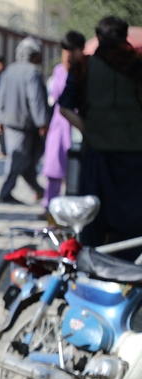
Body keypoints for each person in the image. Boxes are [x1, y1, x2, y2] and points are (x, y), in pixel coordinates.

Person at [60, 16, 142, 261]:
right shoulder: (138, 67)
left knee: (96, 218)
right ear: (125, 36)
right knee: (134, 217)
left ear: (99, 38)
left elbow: (64, 108)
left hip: (98, 156)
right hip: (136, 157)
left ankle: (97, 267)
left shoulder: (84, 68)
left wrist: (90, 130)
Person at [0, 36, 49, 205]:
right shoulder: (32, 71)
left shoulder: (10, 70)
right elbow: (35, 99)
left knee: (26, 161)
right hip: (24, 125)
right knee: (18, 160)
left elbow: (0, 96)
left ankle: (39, 191)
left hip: (10, 123)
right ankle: (5, 193)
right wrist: (42, 122)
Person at [41, 31, 85, 216]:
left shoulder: (87, 70)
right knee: (54, 171)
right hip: (59, 127)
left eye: (73, 50)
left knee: (78, 175)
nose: (69, 55)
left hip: (79, 125)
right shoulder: (58, 72)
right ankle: (50, 209)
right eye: (65, 50)